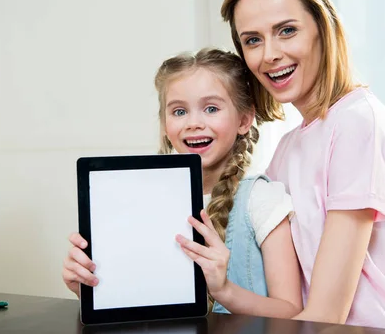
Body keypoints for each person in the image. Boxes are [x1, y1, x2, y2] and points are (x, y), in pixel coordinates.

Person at [220, 0, 385, 331]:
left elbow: (328, 316)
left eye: (286, 30)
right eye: (253, 40)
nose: (269, 54)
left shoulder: (358, 124)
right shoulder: (286, 149)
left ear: (323, 27)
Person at [63, 48, 303, 319]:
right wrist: (89, 287)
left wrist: (224, 290)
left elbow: (290, 311)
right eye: (179, 111)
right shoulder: (144, 203)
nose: (193, 123)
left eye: (211, 108)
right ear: (165, 125)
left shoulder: (262, 200)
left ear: (244, 120)